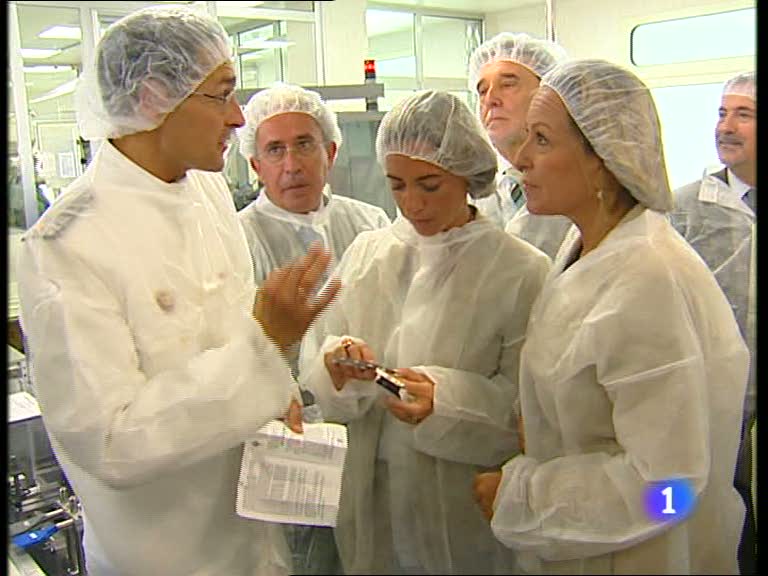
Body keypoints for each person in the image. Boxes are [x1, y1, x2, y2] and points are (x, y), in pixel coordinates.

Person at [16, 6, 339, 576]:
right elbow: (111, 443)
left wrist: (271, 390)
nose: (237, 118)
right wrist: (263, 349)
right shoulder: (67, 244)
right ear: (152, 98)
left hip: (253, 543)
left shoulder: (207, 192)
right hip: (166, 558)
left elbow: (228, 330)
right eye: (222, 95)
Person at [473, 59, 749, 574]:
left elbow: (672, 489)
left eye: (542, 140)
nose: (521, 159)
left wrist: (524, 497)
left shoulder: (647, 280)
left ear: (602, 158)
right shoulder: (589, 250)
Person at [298, 90, 551, 574]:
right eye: (396, 185)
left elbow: (530, 408)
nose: (412, 203)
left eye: (430, 185)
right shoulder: (369, 253)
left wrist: (446, 402)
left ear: (466, 174)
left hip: (462, 509)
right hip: (372, 505)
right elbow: (319, 357)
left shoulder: (518, 269)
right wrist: (337, 364)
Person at [237, 82, 390, 575]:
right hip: (293, 440)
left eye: (304, 144)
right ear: (255, 164)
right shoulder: (239, 239)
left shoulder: (370, 222)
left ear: (331, 151)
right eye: (274, 150)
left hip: (374, 428)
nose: (291, 164)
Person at [669, 70, 756, 575]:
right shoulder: (684, 208)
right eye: (722, 114)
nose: (726, 126)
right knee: (705, 509)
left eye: (744, 114)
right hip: (708, 394)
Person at [467, 32, 573, 260]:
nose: (491, 99)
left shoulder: (581, 183)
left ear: (548, 93)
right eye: (482, 91)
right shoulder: (475, 191)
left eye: (507, 85)